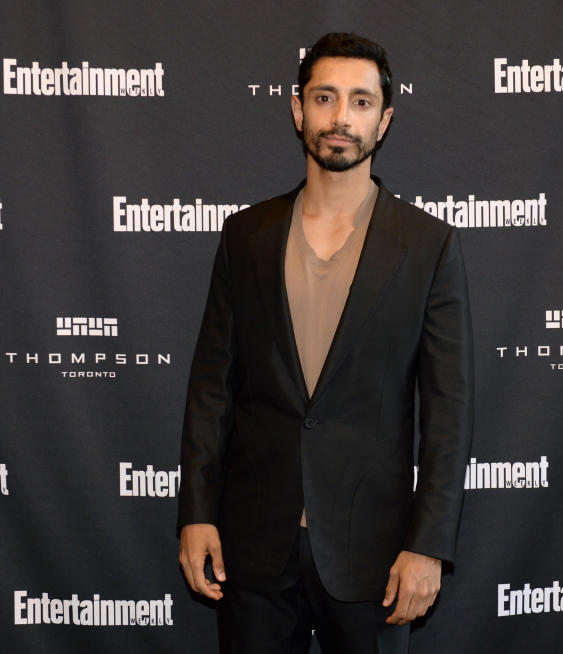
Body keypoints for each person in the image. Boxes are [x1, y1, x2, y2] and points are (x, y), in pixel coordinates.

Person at [177, 32, 474, 654]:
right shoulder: (245, 236)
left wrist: (428, 546)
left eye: (361, 102)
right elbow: (212, 388)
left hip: (377, 553)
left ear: (385, 120)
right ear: (297, 109)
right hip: (253, 546)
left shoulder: (429, 247)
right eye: (325, 98)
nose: (341, 118)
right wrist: (197, 512)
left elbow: (448, 414)